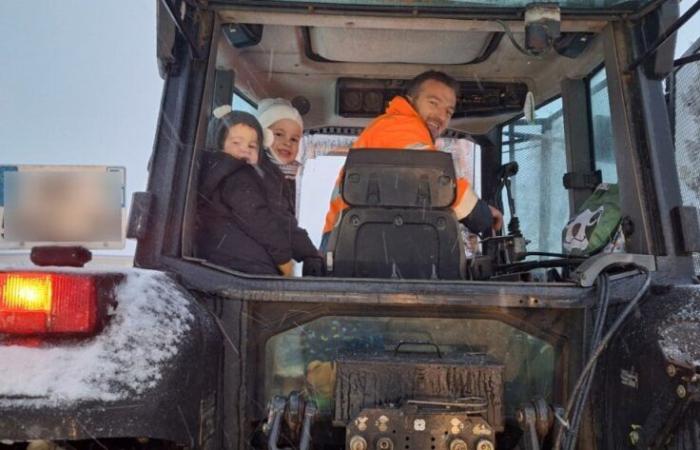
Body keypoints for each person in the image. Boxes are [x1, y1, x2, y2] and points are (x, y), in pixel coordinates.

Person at [321, 70, 503, 250]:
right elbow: (436, 177)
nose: (441, 116)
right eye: (433, 103)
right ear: (411, 100)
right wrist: (481, 214)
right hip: (349, 239)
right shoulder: (399, 125)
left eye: (448, 112)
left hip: (358, 236)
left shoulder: (404, 129)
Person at [196, 108, 323, 276]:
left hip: (220, 260)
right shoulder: (240, 175)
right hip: (247, 268)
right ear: (219, 143)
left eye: (251, 146)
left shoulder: (212, 170)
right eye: (236, 143)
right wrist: (286, 260)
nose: (244, 149)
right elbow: (261, 219)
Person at [257, 98, 304, 213]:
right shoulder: (256, 172)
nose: (287, 143)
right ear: (263, 135)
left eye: (294, 139)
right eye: (279, 134)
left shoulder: (288, 175)